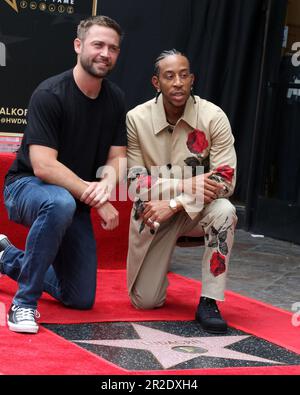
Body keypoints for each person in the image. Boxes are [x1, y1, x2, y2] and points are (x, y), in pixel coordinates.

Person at [0, 16, 127, 334]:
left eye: (113, 48)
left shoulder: (115, 99)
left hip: (73, 197)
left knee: (80, 297)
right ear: (78, 45)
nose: (105, 53)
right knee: (60, 203)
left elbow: (118, 158)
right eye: (98, 44)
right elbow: (43, 165)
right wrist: (95, 199)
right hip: (27, 187)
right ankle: (23, 304)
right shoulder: (50, 94)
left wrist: (107, 185)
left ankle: (6, 258)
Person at [126, 49, 237, 334]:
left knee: (225, 210)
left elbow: (225, 180)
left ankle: (210, 300)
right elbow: (135, 183)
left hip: (195, 212)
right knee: (145, 301)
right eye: (169, 76)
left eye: (184, 75)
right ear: (156, 82)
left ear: (192, 80)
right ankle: (158, 271)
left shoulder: (213, 116)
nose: (178, 82)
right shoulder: (136, 119)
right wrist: (186, 184)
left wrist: (175, 201)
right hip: (154, 213)